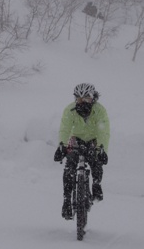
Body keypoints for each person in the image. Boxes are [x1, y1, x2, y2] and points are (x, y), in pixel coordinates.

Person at [54, 83, 110, 220]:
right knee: (69, 166)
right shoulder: (70, 110)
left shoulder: (100, 110)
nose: (82, 101)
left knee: (96, 161)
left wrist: (102, 149)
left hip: (93, 139)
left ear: (93, 98)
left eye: (86, 98)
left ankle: (96, 184)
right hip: (76, 138)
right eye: (78, 99)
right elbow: (64, 128)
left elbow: (104, 131)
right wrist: (62, 145)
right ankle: (67, 200)